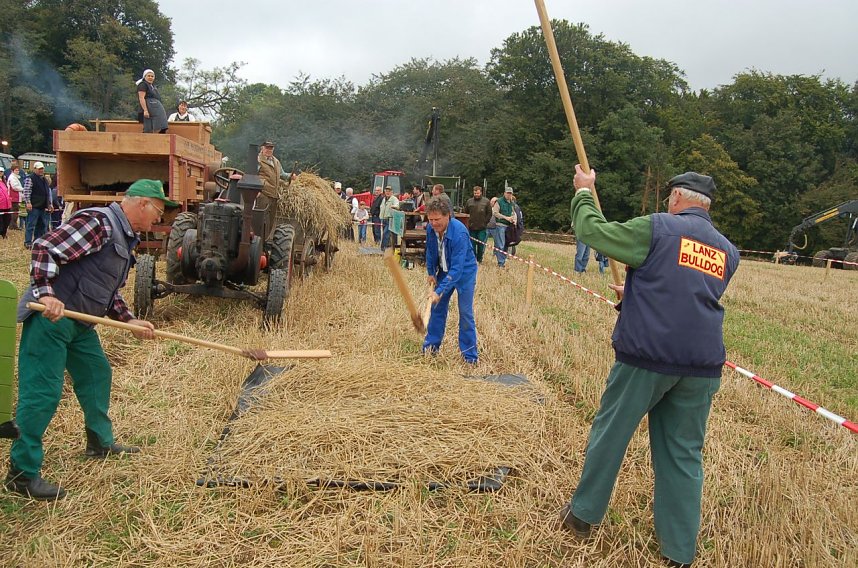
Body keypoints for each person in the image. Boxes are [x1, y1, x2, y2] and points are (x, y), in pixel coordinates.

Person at [558, 168, 739, 568]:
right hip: (702, 367)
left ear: (676, 198)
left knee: (611, 435)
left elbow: (594, 233)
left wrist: (585, 193)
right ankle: (679, 551)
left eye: (669, 199)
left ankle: (583, 517)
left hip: (647, 357)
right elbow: (686, 290)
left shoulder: (659, 228)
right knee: (682, 455)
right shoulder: (728, 251)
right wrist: (638, 289)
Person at [6, 179, 175, 501]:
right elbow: (45, 248)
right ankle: (22, 473)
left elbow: (106, 290)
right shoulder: (98, 222)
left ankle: (99, 442)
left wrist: (130, 320)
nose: (159, 218)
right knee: (43, 393)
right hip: (52, 321)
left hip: (80, 325)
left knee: (97, 374)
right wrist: (47, 294)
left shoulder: (126, 237)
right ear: (141, 203)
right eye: (158, 210)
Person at [423, 198, 479, 364]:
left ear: (448, 216)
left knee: (465, 313)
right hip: (444, 271)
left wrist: (439, 291)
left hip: (464, 273)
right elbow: (431, 252)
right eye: (430, 220)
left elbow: (457, 269)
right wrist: (431, 271)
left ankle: (470, 357)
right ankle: (431, 349)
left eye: (437, 220)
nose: (433, 223)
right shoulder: (430, 229)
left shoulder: (459, 233)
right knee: (437, 308)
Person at [257, 141, 287, 239]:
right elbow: (252, 175)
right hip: (263, 194)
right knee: (261, 220)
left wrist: (291, 176)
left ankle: (264, 242)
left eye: (271, 148)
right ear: (262, 148)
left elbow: (282, 174)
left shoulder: (276, 161)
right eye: (267, 148)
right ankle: (257, 240)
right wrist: (257, 190)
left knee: (271, 221)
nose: (269, 150)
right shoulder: (257, 160)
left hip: (274, 195)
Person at [22, 161, 53, 248]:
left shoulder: (44, 180)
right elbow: (26, 191)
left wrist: (49, 204)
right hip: (34, 206)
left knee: (41, 225)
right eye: (39, 169)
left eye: (42, 168)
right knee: (30, 225)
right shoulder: (30, 178)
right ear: (34, 169)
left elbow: (48, 193)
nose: (41, 170)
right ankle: (28, 242)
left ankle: (37, 241)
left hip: (43, 206)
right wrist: (28, 202)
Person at [464, 185, 493, 263]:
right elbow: (465, 213)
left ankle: (479, 259)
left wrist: (485, 222)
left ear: (481, 193)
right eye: (475, 193)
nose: (476, 194)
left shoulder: (486, 201)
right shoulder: (469, 201)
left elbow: (489, 213)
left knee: (481, 245)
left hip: (482, 227)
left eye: (477, 193)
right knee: (472, 246)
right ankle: (473, 260)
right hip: (471, 227)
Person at [136, 69, 168, 134]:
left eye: (152, 76)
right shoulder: (143, 84)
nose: (150, 77)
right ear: (145, 77)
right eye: (149, 76)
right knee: (148, 126)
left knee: (160, 124)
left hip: (155, 108)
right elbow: (141, 98)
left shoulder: (152, 87)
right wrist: (145, 110)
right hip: (148, 106)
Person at [492, 188, 516, 267]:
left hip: (509, 226)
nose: (509, 195)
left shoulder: (512, 203)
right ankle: (501, 263)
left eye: (510, 193)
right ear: (504, 193)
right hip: (500, 225)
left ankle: (503, 260)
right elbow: (495, 213)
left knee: (506, 244)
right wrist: (506, 218)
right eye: (508, 193)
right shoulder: (499, 202)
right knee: (501, 244)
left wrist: (513, 219)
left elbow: (513, 213)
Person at [379, 185, 400, 251]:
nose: (387, 192)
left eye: (389, 191)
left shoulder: (394, 199)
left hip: (390, 218)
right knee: (390, 234)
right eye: (386, 191)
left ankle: (383, 248)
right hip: (384, 218)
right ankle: (392, 247)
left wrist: (393, 206)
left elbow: (397, 205)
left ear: (392, 192)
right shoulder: (384, 199)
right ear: (385, 192)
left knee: (386, 234)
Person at [7, 165, 23, 229]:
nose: (18, 171)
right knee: (14, 212)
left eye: (18, 170)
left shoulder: (15, 177)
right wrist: (22, 189)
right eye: (16, 170)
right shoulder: (12, 177)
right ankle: (13, 225)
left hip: (16, 197)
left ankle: (13, 225)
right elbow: (15, 187)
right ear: (12, 171)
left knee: (15, 212)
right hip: (13, 197)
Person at [0, 169, 11, 238]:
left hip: (7, 204)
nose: (1, 173)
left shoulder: (4, 181)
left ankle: (4, 233)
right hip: (0, 204)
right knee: (0, 221)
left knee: (7, 219)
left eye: (1, 172)